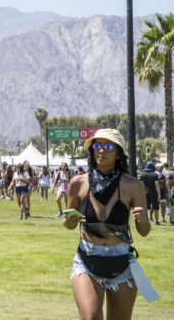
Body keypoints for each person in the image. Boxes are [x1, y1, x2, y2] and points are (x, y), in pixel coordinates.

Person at [63, 129, 155, 319]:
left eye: (108, 146)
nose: (101, 151)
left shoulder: (132, 185)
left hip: (121, 261)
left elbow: (143, 232)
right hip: (87, 260)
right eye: (97, 146)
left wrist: (143, 220)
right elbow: (69, 224)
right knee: (90, 317)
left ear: (118, 152)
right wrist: (69, 221)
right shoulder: (78, 183)